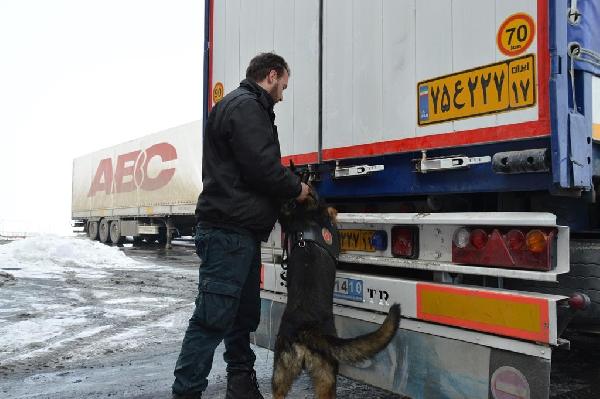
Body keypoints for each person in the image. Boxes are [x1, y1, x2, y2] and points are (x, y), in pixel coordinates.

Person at [172, 52, 310, 399]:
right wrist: (298, 189)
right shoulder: (247, 107)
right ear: (272, 75)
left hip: (240, 232)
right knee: (211, 318)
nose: (283, 94)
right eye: (284, 86)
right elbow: (261, 168)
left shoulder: (244, 106)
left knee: (241, 316)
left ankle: (241, 386)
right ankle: (185, 393)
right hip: (227, 232)